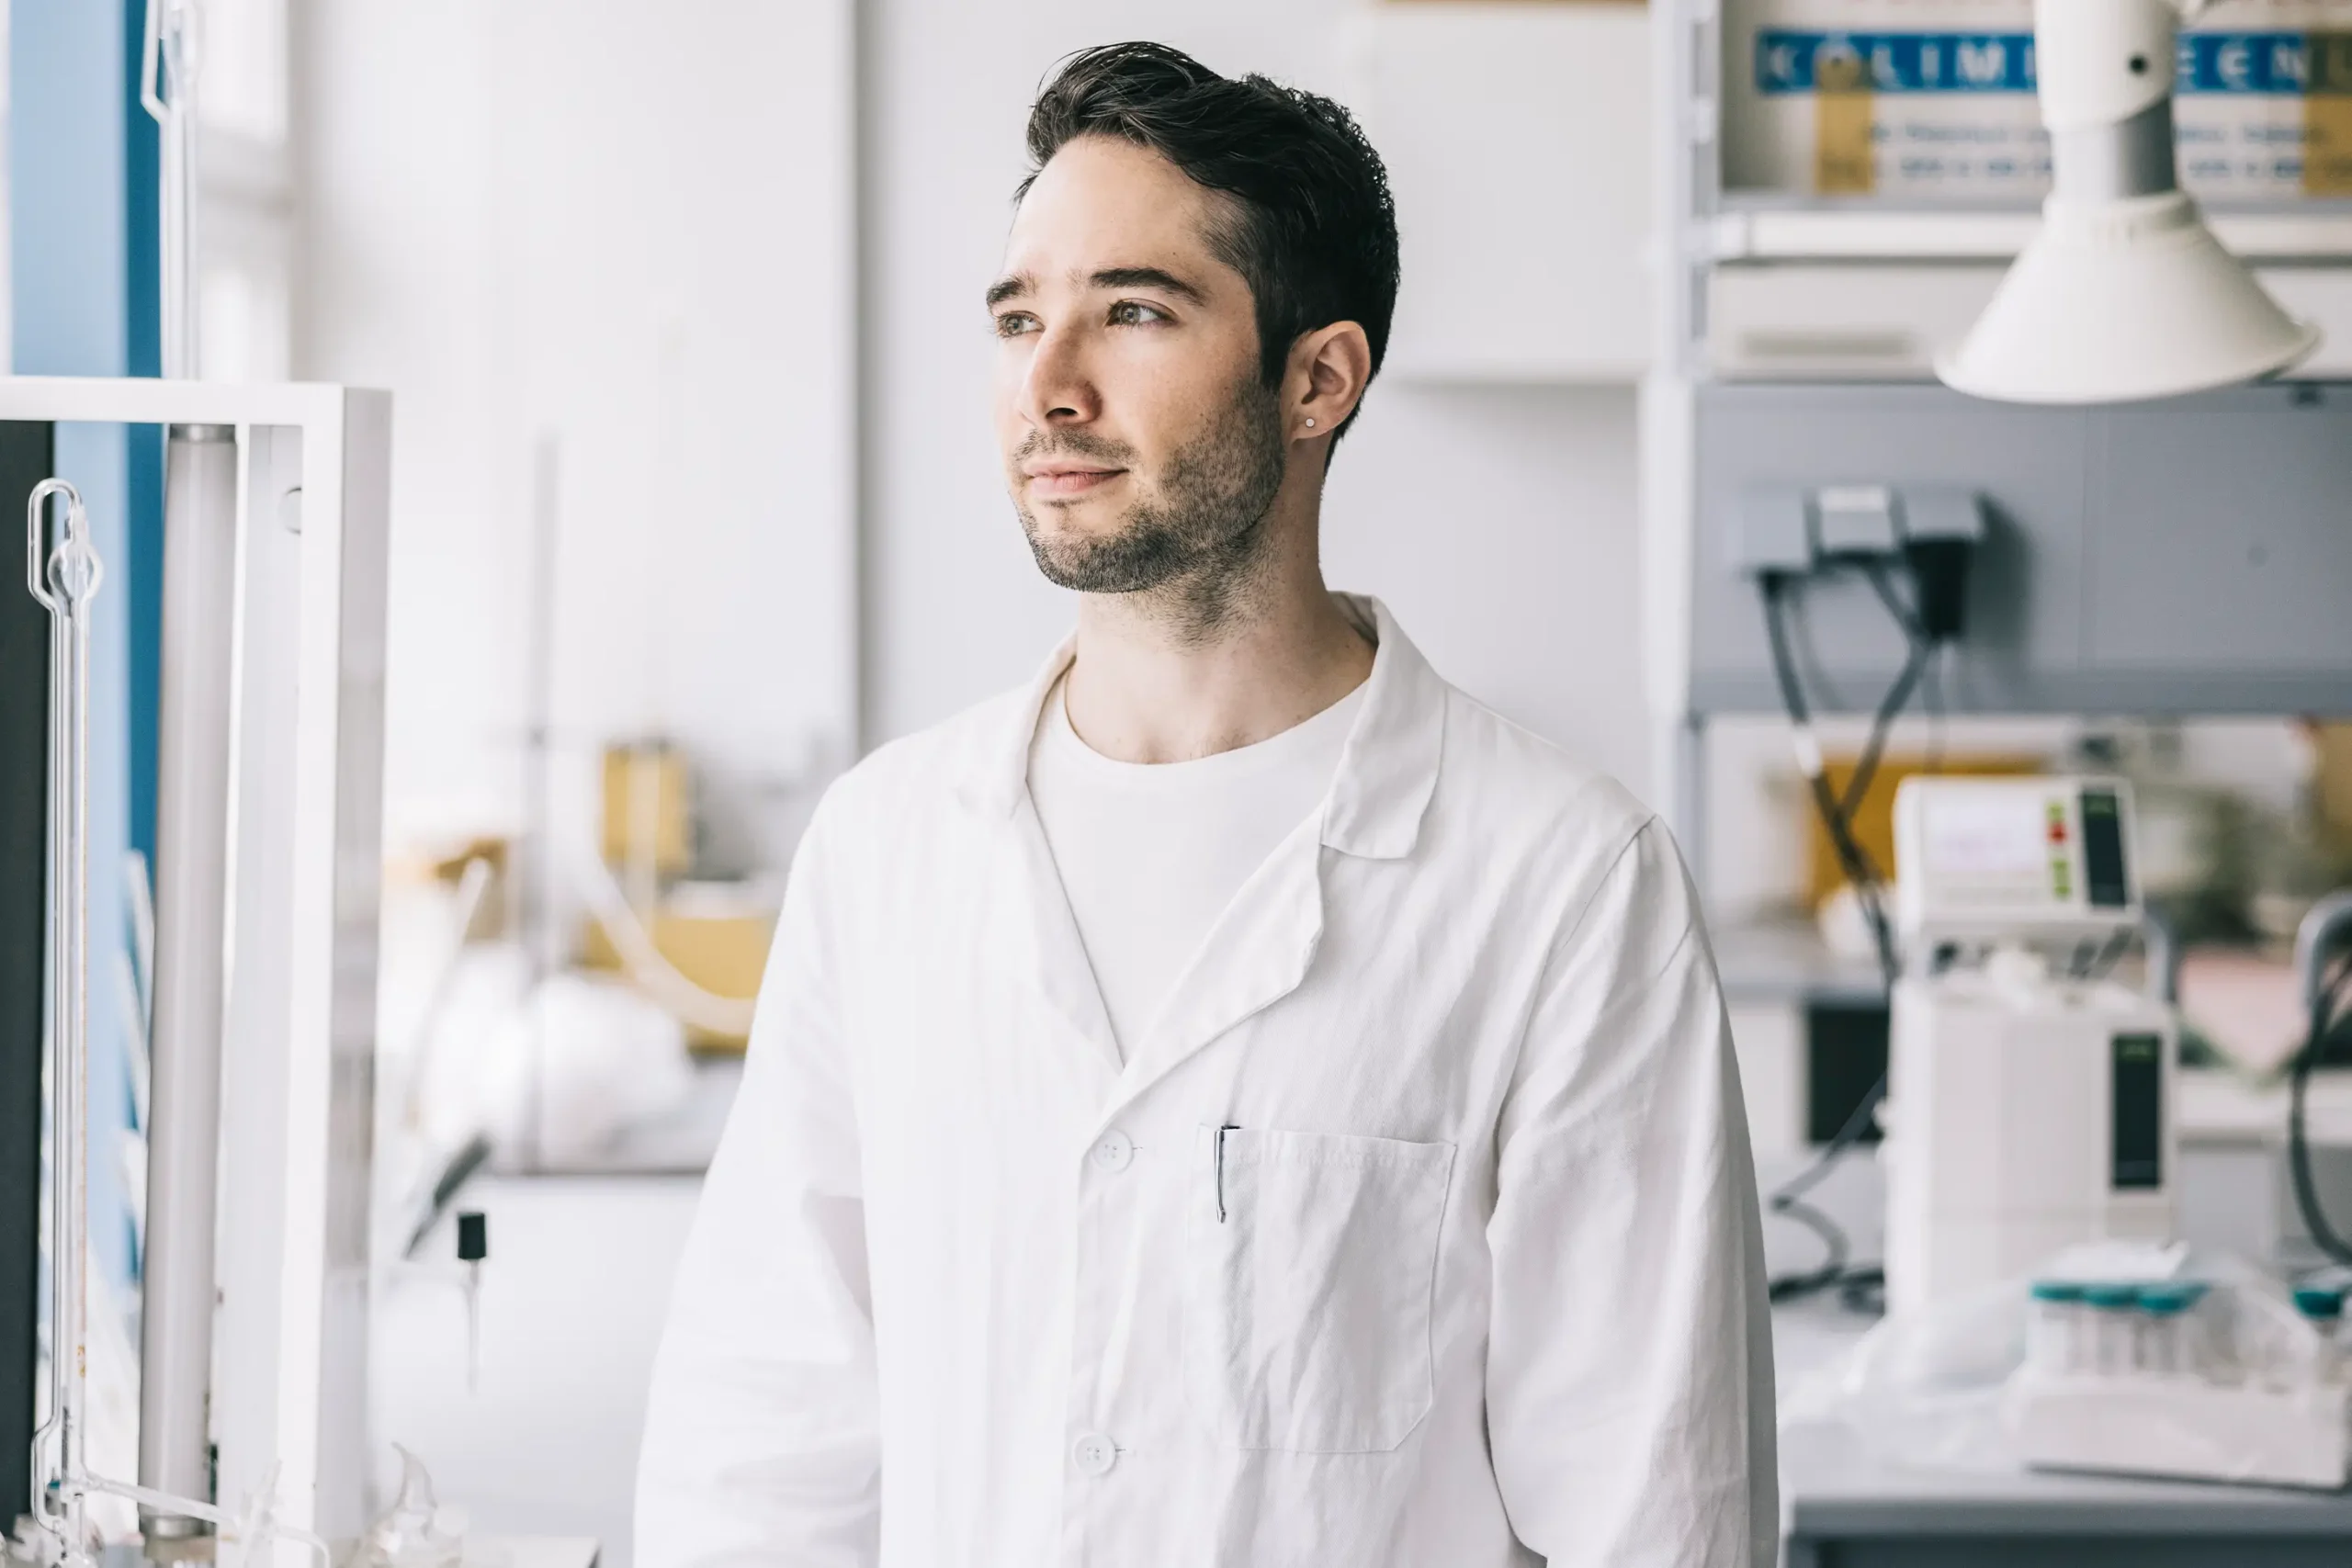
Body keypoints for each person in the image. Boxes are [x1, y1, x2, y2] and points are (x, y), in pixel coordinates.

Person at [636, 41, 1774, 1568]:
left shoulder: (1563, 881)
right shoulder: (888, 848)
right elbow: (761, 1455)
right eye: (1020, 316)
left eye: (1133, 312)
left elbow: (1659, 1513)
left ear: (1319, 376)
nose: (1049, 384)